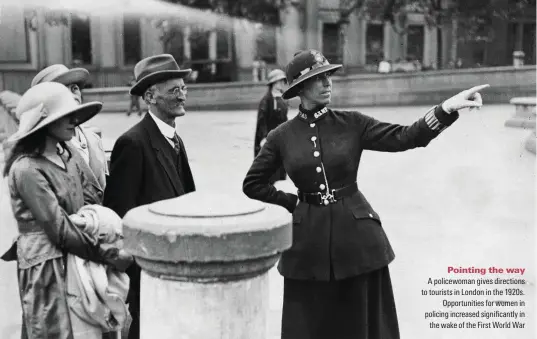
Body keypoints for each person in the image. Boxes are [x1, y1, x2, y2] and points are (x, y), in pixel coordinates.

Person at [242, 49, 488, 339]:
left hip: (357, 242)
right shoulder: (281, 136)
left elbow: (407, 136)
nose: (327, 83)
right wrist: (293, 203)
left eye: (328, 76)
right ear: (300, 88)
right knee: (310, 324)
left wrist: (446, 109)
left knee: (360, 326)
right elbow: (253, 183)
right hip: (307, 248)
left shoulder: (352, 123)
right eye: (318, 79)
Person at [1, 82, 132, 339]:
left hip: (77, 256)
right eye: (65, 116)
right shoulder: (27, 169)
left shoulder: (68, 157)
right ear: (44, 124)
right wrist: (109, 254)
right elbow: (59, 230)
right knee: (54, 330)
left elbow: (89, 202)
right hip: (46, 265)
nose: (74, 120)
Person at [103, 54, 196, 339]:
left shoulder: (174, 139)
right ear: (150, 96)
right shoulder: (132, 144)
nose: (182, 96)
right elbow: (119, 216)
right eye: (174, 90)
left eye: (183, 88)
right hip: (148, 275)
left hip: (177, 268)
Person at [31, 64, 108, 192]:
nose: (72, 96)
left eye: (74, 89)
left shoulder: (93, 138)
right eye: (62, 92)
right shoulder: (47, 145)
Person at [254, 69, 289, 184]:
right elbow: (262, 120)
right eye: (279, 81)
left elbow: (284, 118)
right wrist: (263, 137)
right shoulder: (266, 100)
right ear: (273, 83)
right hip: (268, 134)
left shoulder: (282, 98)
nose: (282, 84)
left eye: (282, 81)